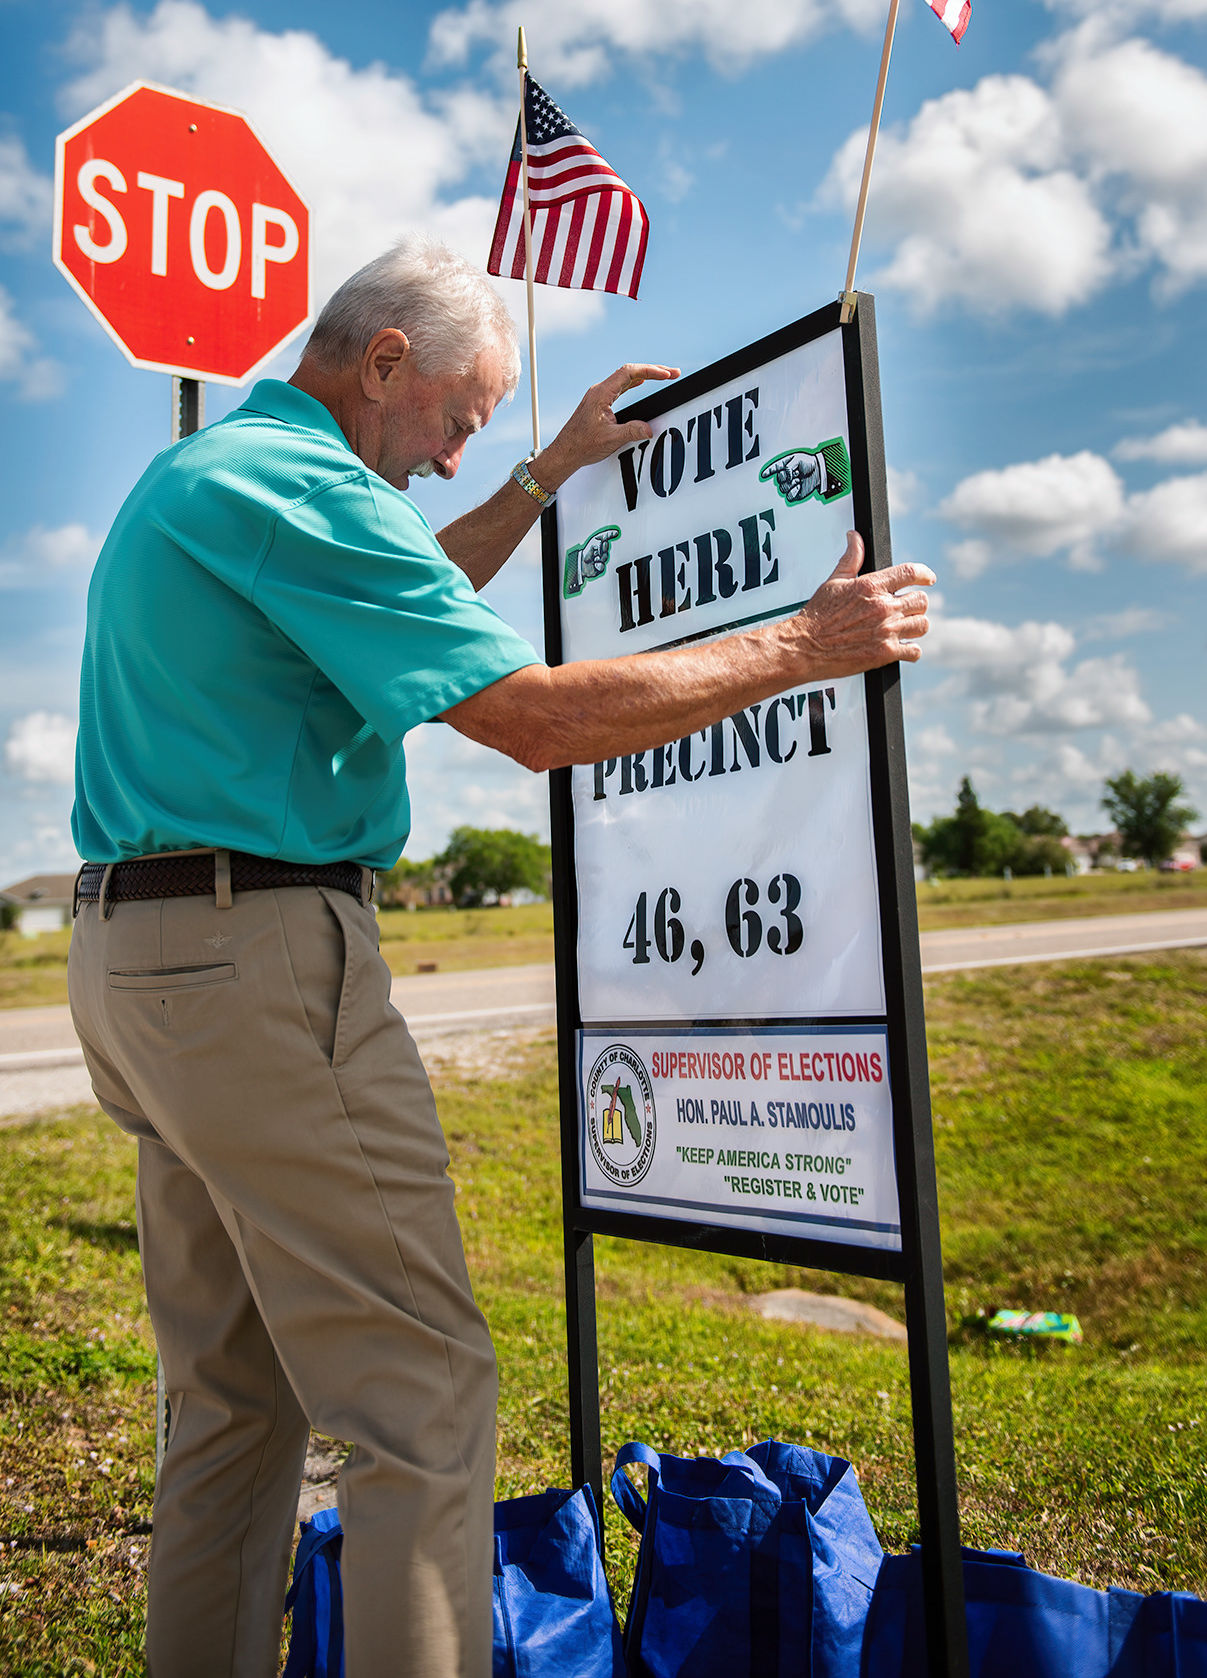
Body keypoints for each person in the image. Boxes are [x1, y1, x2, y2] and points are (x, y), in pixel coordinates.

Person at [67, 234, 933, 1678]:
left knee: (236, 1402)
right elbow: (527, 714)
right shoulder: (301, 491)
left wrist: (547, 477)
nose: (467, 457)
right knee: (421, 1391)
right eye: (465, 422)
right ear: (386, 363)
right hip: (260, 959)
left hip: (145, 963)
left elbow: (406, 599)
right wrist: (803, 644)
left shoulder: (222, 480)